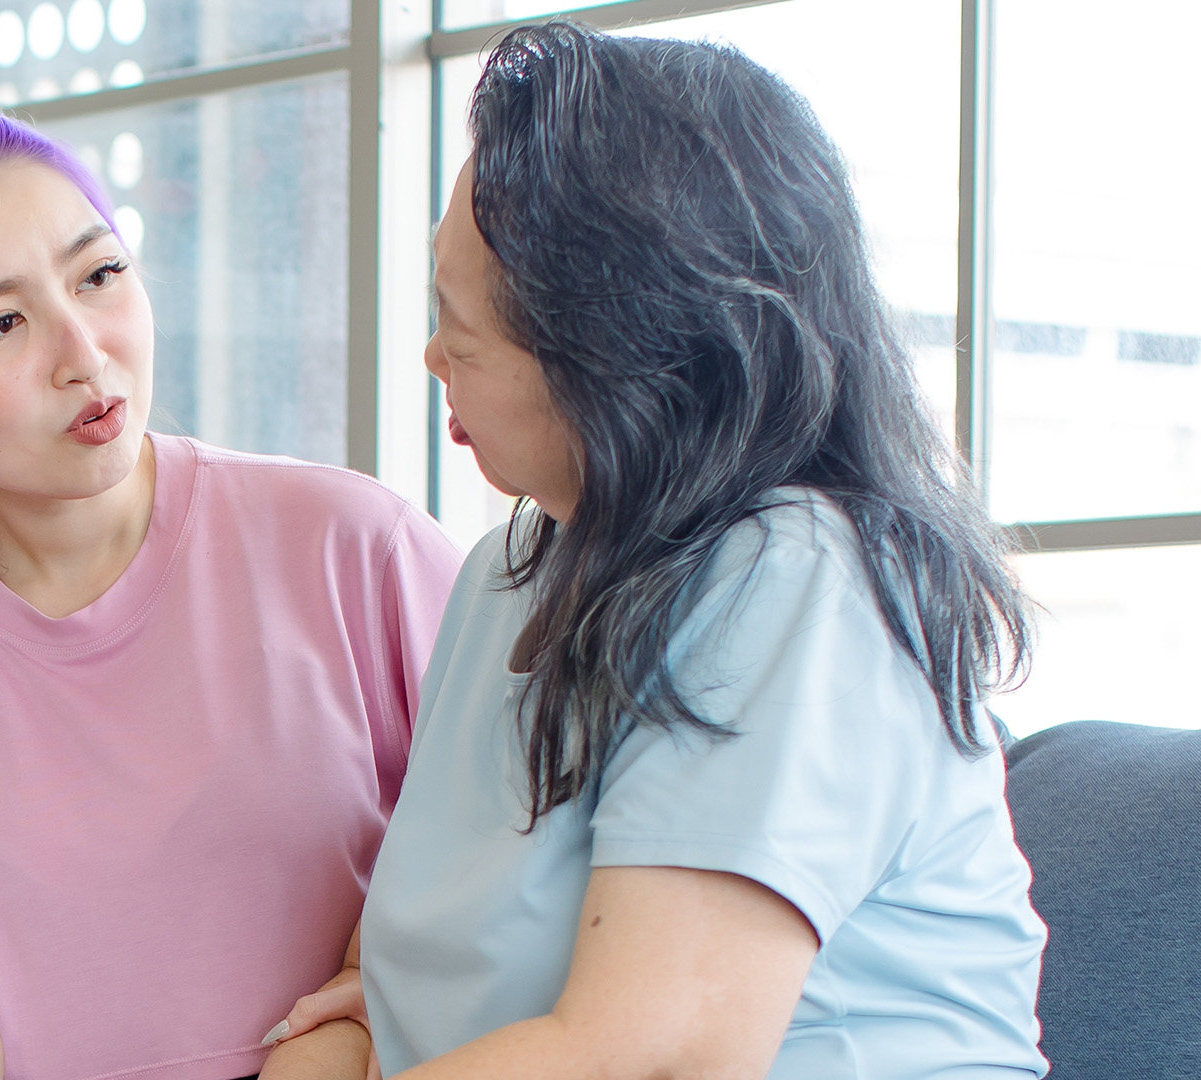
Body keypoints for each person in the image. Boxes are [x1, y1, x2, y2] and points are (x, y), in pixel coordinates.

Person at [269, 20, 1047, 1080]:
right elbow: (396, 978)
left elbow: (654, 1056)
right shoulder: (517, 567)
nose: (431, 355)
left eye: (465, 327)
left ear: (617, 358)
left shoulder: (796, 576)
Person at [0, 106, 461, 1080]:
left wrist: (359, 1027)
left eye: (99, 274)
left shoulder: (356, 545)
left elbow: (541, 859)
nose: (83, 353)